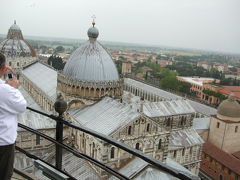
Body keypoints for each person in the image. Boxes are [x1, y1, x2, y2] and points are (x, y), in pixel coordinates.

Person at [0, 53, 27, 180]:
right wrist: (15, 88)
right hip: (3, 143)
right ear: (3, 68)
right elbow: (22, 106)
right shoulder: (5, 90)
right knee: (4, 174)